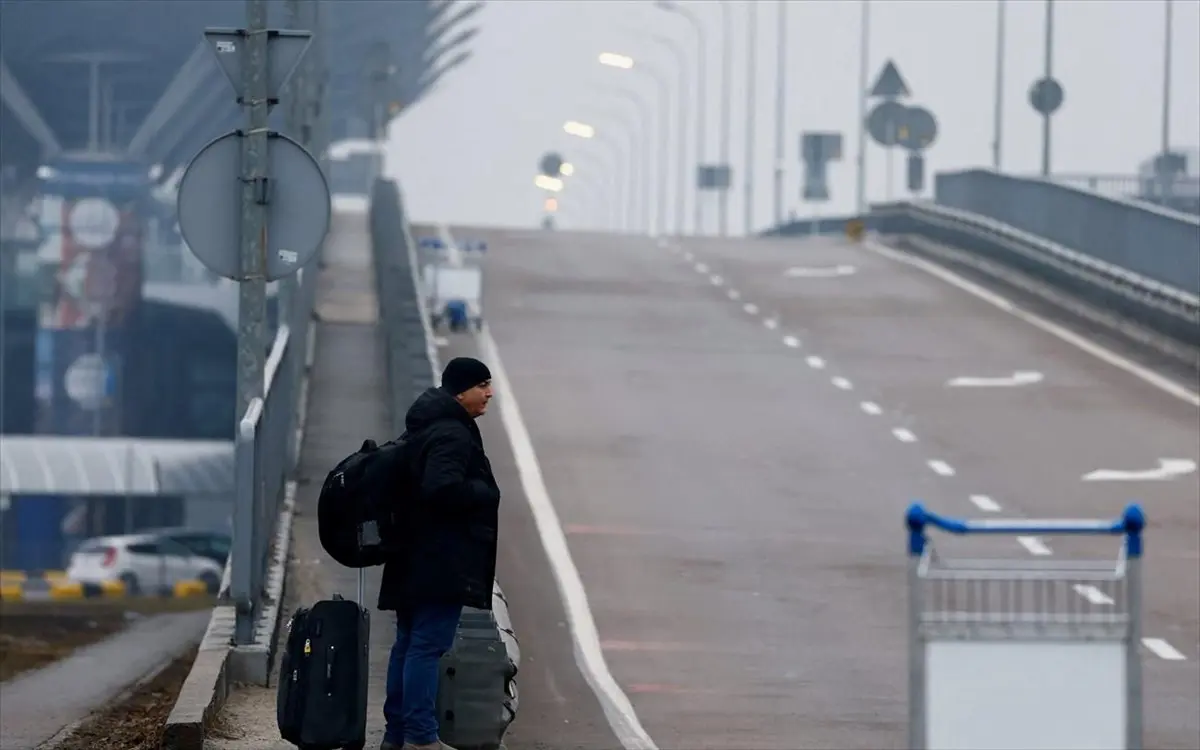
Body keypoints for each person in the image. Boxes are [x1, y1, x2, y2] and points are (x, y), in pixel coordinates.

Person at [378, 356, 501, 750]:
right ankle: (420, 738)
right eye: (482, 385)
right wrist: (485, 493)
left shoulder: (426, 424)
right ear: (460, 391)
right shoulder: (452, 434)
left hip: (412, 554)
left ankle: (396, 736)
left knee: (409, 644)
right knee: (426, 648)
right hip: (439, 559)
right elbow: (441, 489)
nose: (489, 393)